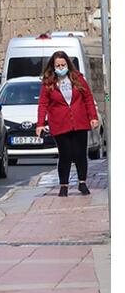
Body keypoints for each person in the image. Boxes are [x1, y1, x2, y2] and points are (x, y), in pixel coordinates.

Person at [35, 50, 100, 197]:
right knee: (65, 154)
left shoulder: (77, 79)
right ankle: (64, 185)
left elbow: (88, 98)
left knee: (80, 154)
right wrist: (40, 124)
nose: (60, 67)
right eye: (57, 65)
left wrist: (93, 117)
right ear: (53, 66)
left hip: (79, 121)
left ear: (68, 65)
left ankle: (82, 183)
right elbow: (43, 104)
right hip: (60, 124)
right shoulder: (48, 83)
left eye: (63, 64)